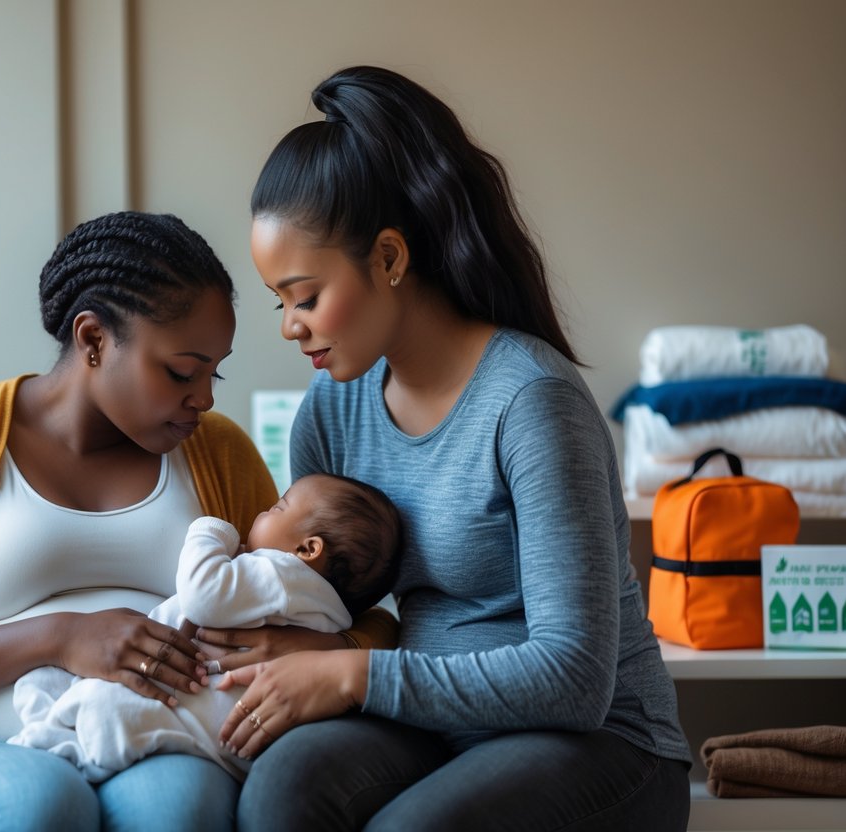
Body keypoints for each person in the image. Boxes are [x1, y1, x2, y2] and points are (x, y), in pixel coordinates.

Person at [218, 65, 693, 831]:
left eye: (305, 297)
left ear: (390, 259)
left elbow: (573, 680)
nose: (289, 326)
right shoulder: (332, 410)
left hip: (602, 743)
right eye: (279, 301)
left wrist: (352, 672)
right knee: (278, 790)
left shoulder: (530, 401)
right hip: (436, 729)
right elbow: (331, 602)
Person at [0, 211, 398, 832]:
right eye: (181, 371)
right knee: (41, 806)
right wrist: (62, 637)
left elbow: (360, 619)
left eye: (213, 372)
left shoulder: (218, 451)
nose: (204, 398)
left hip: (156, 737)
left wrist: (323, 649)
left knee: (184, 808)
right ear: (93, 339)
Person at [8, 472, 403, 781]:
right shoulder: (328, 612)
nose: (262, 513)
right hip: (220, 727)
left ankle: (62, 740)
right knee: (101, 707)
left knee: (95, 701)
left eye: (277, 507)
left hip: (176, 692)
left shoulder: (280, 573)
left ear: (308, 549)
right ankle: (69, 738)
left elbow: (203, 595)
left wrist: (209, 531)